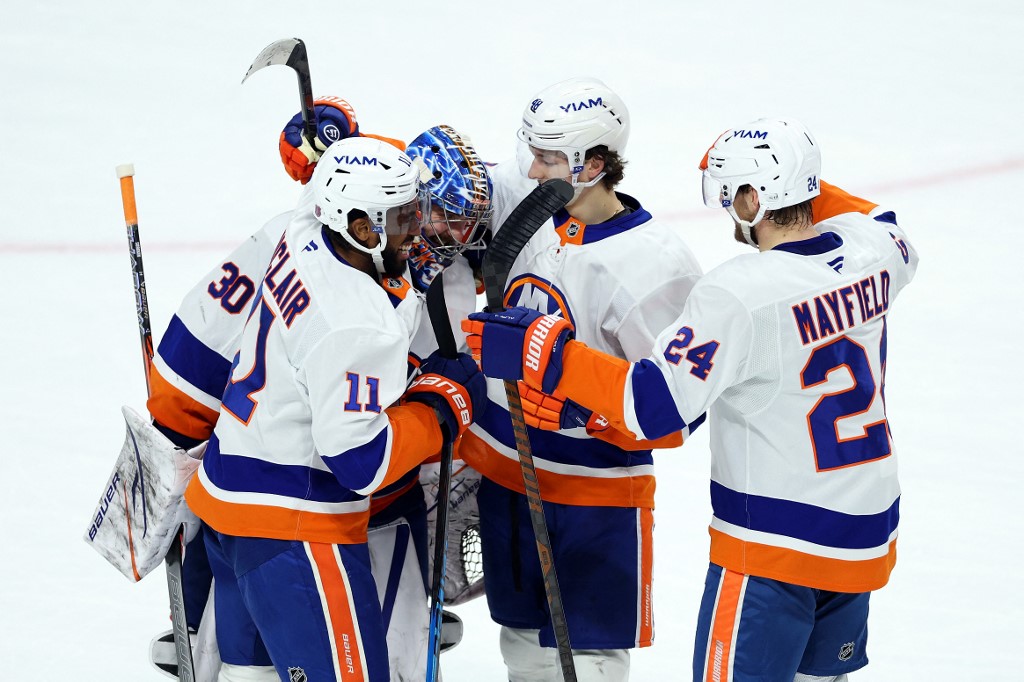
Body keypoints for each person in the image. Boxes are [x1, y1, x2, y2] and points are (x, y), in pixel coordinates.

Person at [463, 117, 919, 682]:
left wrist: (547, 352)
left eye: (734, 197)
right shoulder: (878, 252)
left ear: (753, 199)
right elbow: (875, 215)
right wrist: (793, 177)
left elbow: (654, 406)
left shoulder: (741, 293)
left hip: (774, 546)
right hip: (865, 534)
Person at [146, 99, 492, 680]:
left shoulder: (304, 229)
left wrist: (336, 131)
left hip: (230, 510)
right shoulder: (359, 321)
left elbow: (336, 182)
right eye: (404, 220)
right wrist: (441, 408)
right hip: (296, 533)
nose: (417, 233)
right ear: (361, 225)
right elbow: (360, 459)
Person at [462, 77, 703, 682]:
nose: (529, 166)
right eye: (533, 151)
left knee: (586, 664)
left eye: (546, 156)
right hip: (505, 473)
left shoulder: (656, 266)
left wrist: (580, 413)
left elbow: (680, 413)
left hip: (592, 500)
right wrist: (342, 147)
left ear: (592, 165)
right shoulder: (535, 203)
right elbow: (452, 174)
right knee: (522, 647)